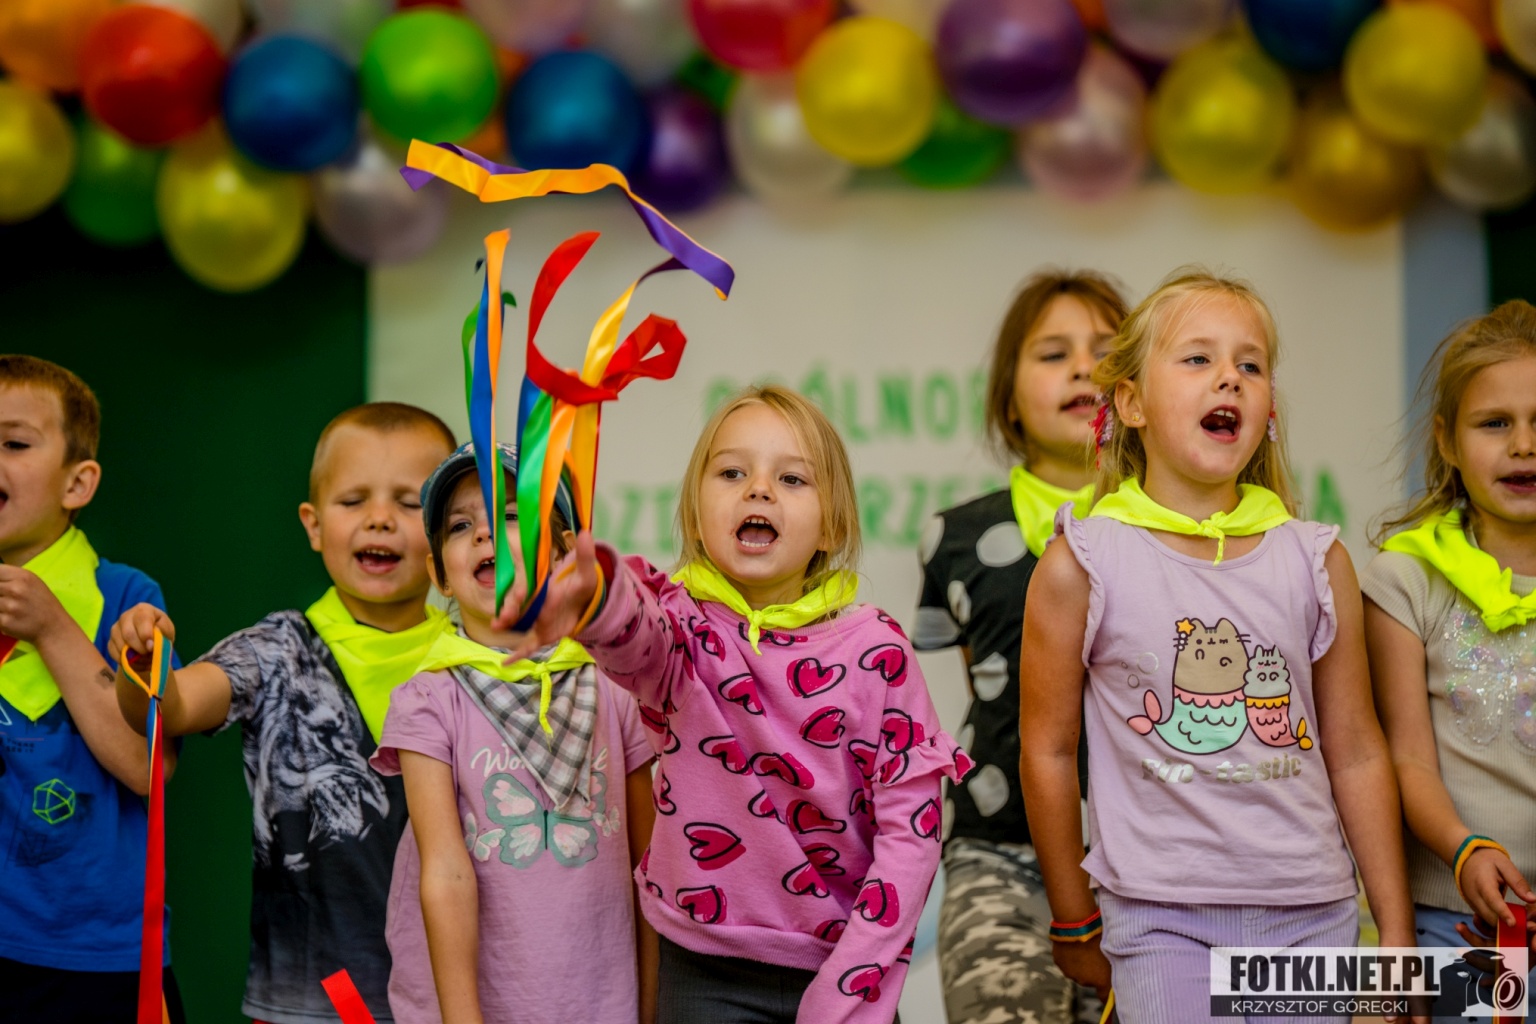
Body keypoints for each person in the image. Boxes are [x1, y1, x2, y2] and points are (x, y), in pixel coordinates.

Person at [1019, 269, 1419, 1024]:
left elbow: (1357, 752)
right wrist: (1072, 916)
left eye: (1251, 364)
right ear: (1130, 404)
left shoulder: (1316, 559)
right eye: (1198, 358)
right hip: (1158, 919)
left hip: (1313, 915)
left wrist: (1396, 935)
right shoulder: (1083, 562)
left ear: (1268, 411)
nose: (1229, 377)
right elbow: (1046, 749)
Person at [500, 384, 972, 1024]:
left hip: (845, 966)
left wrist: (850, 984)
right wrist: (592, 595)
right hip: (703, 968)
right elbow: (632, 636)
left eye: (792, 478)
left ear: (833, 526)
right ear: (696, 515)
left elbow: (911, 835)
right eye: (731, 473)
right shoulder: (678, 626)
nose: (758, 490)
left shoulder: (877, 650)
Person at [112, 402, 456, 1024]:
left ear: (446, 531)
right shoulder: (277, 650)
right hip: (308, 1000)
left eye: (409, 503)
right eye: (353, 500)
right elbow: (173, 705)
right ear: (314, 524)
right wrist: (142, 664)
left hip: (451, 999)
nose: (380, 518)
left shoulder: (476, 661)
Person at [369, 442, 658, 1024]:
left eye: (509, 516)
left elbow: (649, 866)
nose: (484, 534)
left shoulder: (614, 684)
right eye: (460, 526)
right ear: (438, 575)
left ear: (563, 554)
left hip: (602, 1005)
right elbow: (445, 874)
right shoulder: (429, 698)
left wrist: (652, 1008)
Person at [915, 271, 1127, 1024]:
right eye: (1053, 353)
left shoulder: (1175, 530)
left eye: (1105, 352)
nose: (1082, 368)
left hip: (1149, 862)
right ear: (1008, 397)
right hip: (998, 850)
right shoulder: (956, 536)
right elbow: (993, 683)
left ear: (1138, 390)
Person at [1361, 300, 1536, 1017]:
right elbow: (1405, 758)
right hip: (1453, 926)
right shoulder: (1404, 580)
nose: (1523, 445)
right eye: (1494, 423)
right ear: (1448, 440)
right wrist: (1465, 851)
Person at [0, 355, 185, 1024]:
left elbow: (146, 767)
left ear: (77, 483)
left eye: (14, 443)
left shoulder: (127, 598)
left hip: (92, 959)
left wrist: (52, 627)